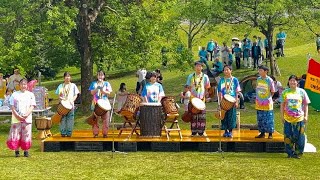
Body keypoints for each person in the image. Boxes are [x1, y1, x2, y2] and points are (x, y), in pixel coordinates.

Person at [280, 75, 310, 159]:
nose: (292, 82)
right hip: (287, 118)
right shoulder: (285, 92)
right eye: (291, 81)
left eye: (294, 81)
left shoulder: (302, 92)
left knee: (300, 137)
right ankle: (289, 153)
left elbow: (306, 105)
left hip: (299, 118)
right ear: (288, 82)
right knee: (288, 136)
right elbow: (282, 105)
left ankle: (298, 153)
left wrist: (306, 116)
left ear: (297, 82)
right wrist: (282, 116)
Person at [6, 79, 36, 157]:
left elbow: (32, 105)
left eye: (25, 84)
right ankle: (17, 151)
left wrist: (26, 114)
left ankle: (26, 151)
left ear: (27, 85)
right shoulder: (14, 94)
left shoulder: (31, 95)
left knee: (26, 134)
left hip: (27, 118)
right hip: (16, 118)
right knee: (16, 134)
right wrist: (17, 115)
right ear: (19, 85)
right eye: (22, 84)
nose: (23, 86)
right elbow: (12, 106)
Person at [186, 61, 210, 136]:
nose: (198, 67)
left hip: (201, 99)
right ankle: (193, 131)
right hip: (193, 99)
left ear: (202, 67)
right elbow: (187, 87)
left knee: (201, 116)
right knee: (193, 115)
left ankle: (201, 131)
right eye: (197, 66)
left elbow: (207, 87)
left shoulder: (205, 77)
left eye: (200, 66)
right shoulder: (190, 76)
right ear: (194, 67)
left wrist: (206, 94)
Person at [217, 65, 241, 137]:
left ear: (231, 70)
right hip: (224, 101)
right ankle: (225, 131)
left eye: (227, 70)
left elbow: (237, 91)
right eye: (224, 70)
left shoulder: (234, 80)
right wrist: (220, 102)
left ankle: (230, 131)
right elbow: (220, 92)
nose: (226, 71)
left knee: (231, 116)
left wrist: (236, 101)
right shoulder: (221, 80)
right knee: (224, 116)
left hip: (232, 101)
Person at [55, 72, 80, 137]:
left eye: (69, 76)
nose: (67, 78)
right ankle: (63, 132)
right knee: (62, 119)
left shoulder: (73, 85)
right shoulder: (61, 86)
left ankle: (69, 133)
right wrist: (61, 99)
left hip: (70, 105)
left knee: (70, 119)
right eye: (66, 76)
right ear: (64, 78)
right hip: (63, 105)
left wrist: (72, 100)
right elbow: (59, 95)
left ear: (70, 77)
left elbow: (76, 95)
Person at [89, 70, 112, 138]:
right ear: (97, 76)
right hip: (96, 102)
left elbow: (109, 93)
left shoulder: (107, 83)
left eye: (102, 75)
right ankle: (95, 133)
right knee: (95, 119)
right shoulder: (94, 83)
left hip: (105, 103)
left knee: (106, 119)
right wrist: (97, 88)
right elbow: (92, 93)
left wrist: (103, 91)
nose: (100, 76)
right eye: (99, 75)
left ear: (104, 76)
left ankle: (105, 133)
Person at [255, 66, 276, 139]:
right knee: (260, 118)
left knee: (268, 118)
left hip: (267, 102)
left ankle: (270, 133)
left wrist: (268, 98)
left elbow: (273, 91)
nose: (259, 72)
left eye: (261, 70)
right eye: (259, 70)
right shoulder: (258, 79)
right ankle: (262, 132)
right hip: (259, 102)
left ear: (266, 71)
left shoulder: (269, 80)